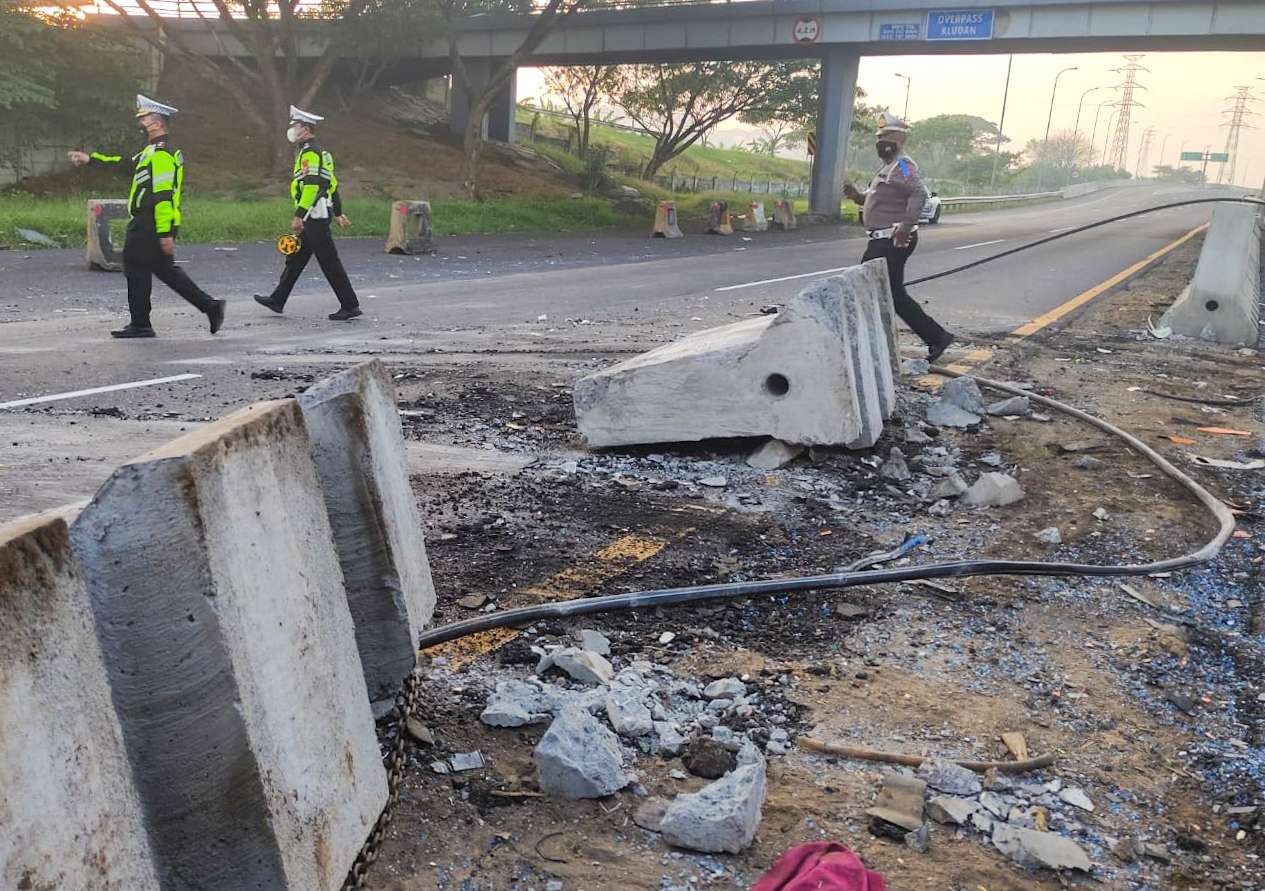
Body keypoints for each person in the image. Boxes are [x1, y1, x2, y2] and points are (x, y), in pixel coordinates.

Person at [69, 95, 225, 339]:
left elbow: (163, 196)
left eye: (145, 119)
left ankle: (141, 323)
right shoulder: (149, 152)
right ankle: (209, 306)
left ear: (158, 123)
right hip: (148, 221)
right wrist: (91, 159)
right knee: (163, 270)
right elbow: (123, 164)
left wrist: (166, 232)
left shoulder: (162, 155)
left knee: (135, 264)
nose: (141, 123)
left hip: (150, 222)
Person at [843, 112, 954, 363]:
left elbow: (918, 193)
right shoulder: (888, 167)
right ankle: (935, 337)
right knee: (888, 292)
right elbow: (878, 198)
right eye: (879, 136)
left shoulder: (903, 164)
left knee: (871, 288)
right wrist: (856, 195)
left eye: (887, 136)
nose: (881, 141)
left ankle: (930, 337)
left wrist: (905, 226)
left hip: (891, 239)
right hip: (881, 239)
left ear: (900, 140)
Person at [254, 106, 362, 321]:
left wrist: (299, 215)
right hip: (316, 214)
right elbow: (331, 183)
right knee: (297, 257)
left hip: (315, 215)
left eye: (295, 125)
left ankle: (350, 305)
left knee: (329, 261)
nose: (292, 129)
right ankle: (278, 299)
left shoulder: (310, 153)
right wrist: (338, 212)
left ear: (305, 129)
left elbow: (312, 186)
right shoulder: (312, 152)